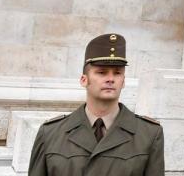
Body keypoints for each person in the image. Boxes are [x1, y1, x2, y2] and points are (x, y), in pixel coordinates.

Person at [29, 34, 164, 176]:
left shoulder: (148, 134)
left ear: (123, 81)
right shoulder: (51, 133)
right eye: (102, 72)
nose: (110, 79)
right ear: (83, 80)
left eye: (117, 73)